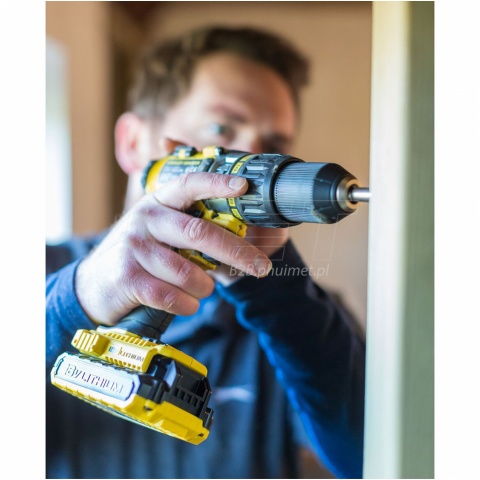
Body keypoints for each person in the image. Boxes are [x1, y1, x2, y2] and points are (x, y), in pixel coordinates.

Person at [46, 26, 365, 479]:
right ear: (134, 143)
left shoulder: (306, 317)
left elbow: (379, 460)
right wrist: (75, 300)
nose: (250, 157)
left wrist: (278, 292)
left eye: (274, 147)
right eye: (221, 128)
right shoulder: (42, 272)